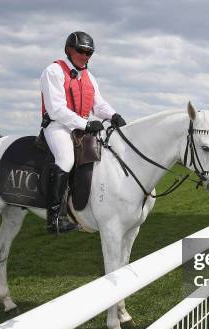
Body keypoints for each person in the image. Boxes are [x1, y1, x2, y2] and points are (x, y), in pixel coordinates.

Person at [40, 31, 126, 234]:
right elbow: (56, 110)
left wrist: (113, 116)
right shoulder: (53, 71)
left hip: (79, 128)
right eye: (81, 51)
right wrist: (86, 125)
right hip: (57, 126)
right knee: (66, 159)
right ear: (69, 50)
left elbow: (99, 105)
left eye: (89, 53)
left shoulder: (89, 77)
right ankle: (54, 219)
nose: (85, 56)